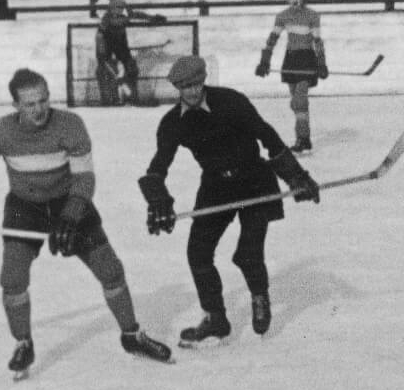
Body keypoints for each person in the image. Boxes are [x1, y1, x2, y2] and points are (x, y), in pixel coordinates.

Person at [0, 67, 170, 376]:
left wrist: (71, 217)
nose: (39, 109)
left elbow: (84, 179)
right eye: (30, 104)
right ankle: (23, 343)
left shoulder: (70, 125)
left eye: (43, 100)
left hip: (69, 202)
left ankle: (132, 335)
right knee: (12, 278)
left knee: (111, 270)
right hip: (25, 206)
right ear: (16, 106)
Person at [137, 55, 321, 347]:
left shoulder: (231, 101)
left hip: (254, 180)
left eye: (197, 84)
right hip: (216, 186)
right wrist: (158, 201)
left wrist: (296, 177)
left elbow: (267, 136)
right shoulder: (173, 123)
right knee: (198, 252)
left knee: (248, 252)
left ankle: (260, 297)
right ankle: (216, 318)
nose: (193, 91)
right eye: (186, 87)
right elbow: (158, 167)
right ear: (177, 88)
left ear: (204, 80)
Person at [257, 0, 327, 153]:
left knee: (299, 100)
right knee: (296, 103)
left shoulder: (312, 15)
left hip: (306, 59)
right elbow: (273, 38)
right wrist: (264, 61)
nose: (295, 1)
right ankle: (303, 138)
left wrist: (321, 63)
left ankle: (303, 139)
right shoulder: (282, 16)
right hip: (291, 60)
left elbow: (317, 41)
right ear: (287, 0)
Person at [95, 0, 160, 107]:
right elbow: (99, 36)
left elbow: (136, 15)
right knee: (107, 71)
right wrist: (101, 54)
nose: (119, 11)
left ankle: (132, 98)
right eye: (117, 8)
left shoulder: (123, 17)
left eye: (121, 8)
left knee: (131, 68)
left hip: (121, 47)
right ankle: (111, 99)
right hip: (107, 48)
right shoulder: (106, 19)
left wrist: (153, 18)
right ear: (111, 9)